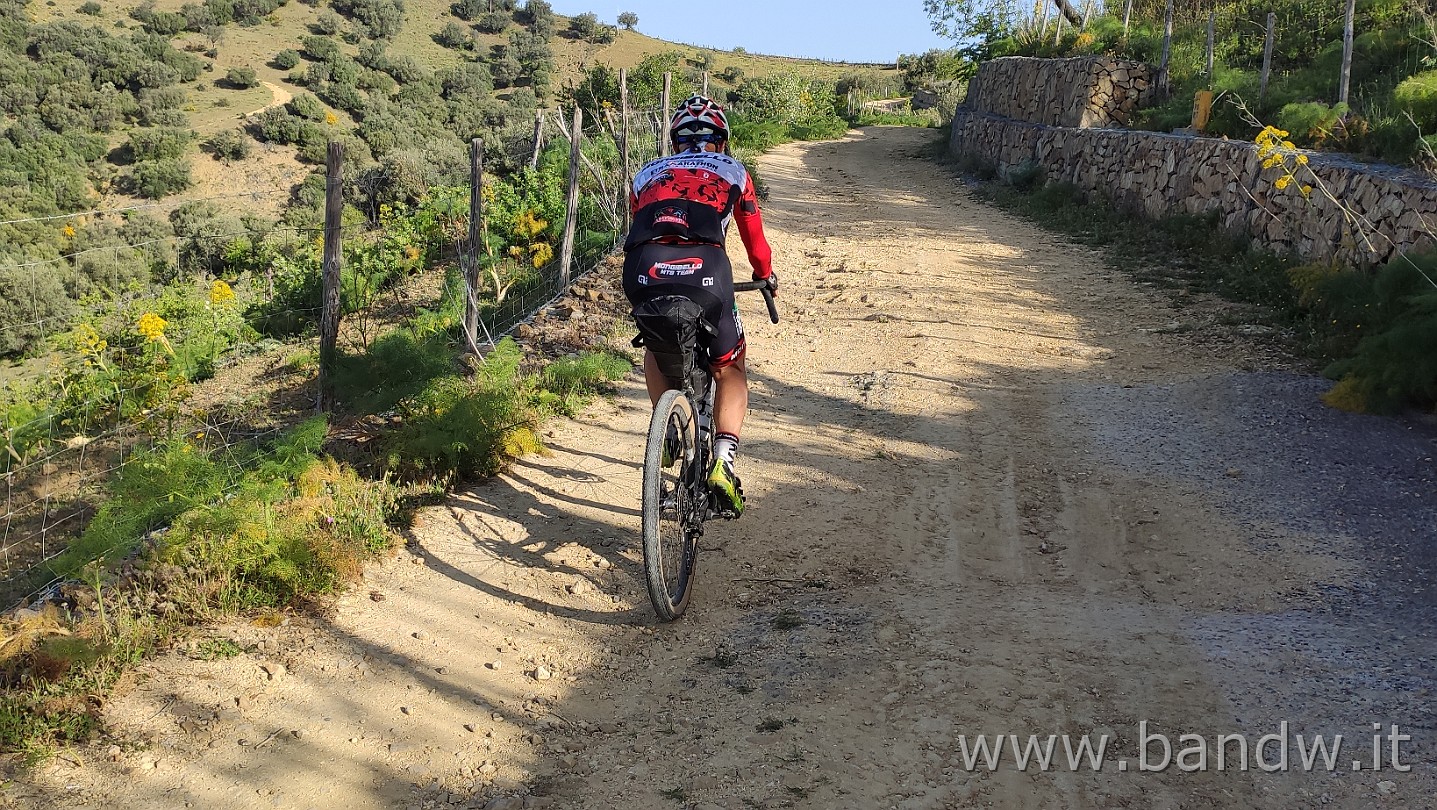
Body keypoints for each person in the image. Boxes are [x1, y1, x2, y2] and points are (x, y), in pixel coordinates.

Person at [622, 95, 777, 517]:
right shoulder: (734, 172)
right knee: (730, 368)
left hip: (643, 270)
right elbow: (756, 245)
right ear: (721, 141)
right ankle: (724, 462)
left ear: (674, 142)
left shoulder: (645, 174)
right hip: (705, 270)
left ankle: (671, 428)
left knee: (656, 348)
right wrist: (765, 276)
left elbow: (643, 225)